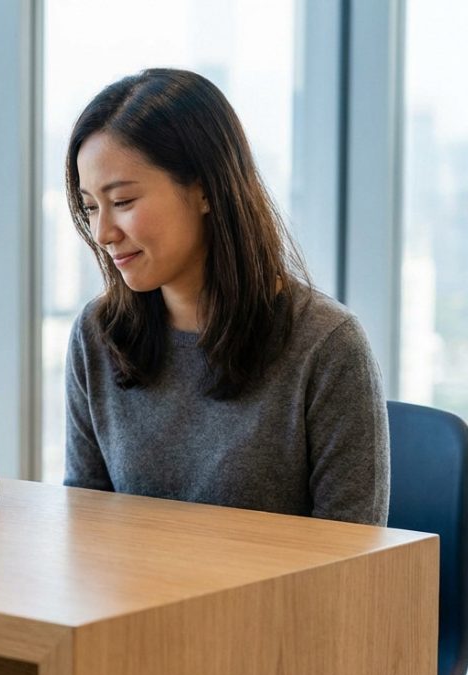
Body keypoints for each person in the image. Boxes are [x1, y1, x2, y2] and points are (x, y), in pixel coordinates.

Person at [62, 68, 389, 526]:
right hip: (134, 598)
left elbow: (355, 562)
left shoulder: (326, 345)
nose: (102, 233)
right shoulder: (98, 335)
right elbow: (87, 528)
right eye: (91, 207)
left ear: (203, 190)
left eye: (123, 201)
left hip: (281, 600)